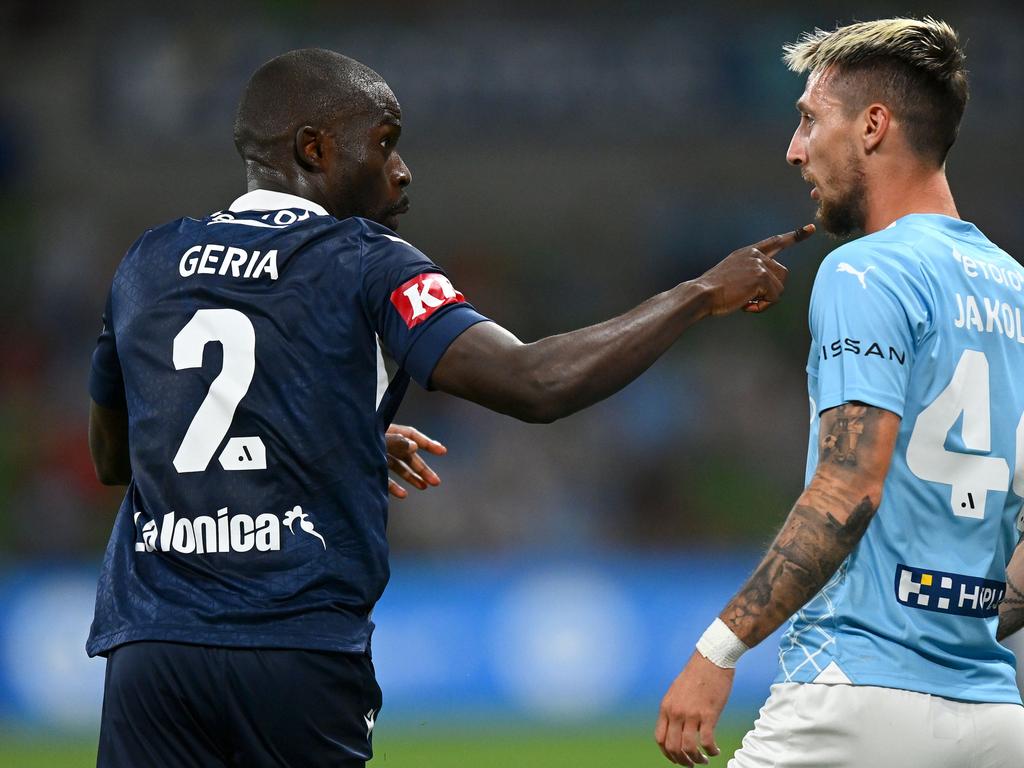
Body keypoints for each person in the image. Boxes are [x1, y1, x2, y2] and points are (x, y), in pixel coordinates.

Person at [87, 48, 812, 768]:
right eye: (383, 143)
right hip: (292, 644)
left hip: (153, 650)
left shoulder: (148, 261)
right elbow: (535, 383)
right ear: (313, 149)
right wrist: (697, 295)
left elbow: (117, 456)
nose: (401, 170)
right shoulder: (365, 258)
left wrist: (332, 433)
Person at [654, 17, 1024, 767]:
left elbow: (850, 484)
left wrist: (718, 649)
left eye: (808, 120)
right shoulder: (1016, 288)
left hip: (853, 697)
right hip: (993, 718)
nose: (794, 150)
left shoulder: (867, 271)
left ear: (873, 126)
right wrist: (965, 624)